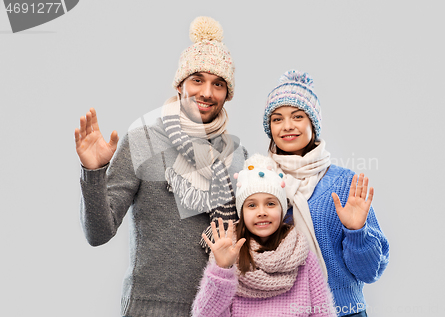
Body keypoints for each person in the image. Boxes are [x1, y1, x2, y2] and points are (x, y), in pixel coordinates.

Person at [74, 17, 247, 317]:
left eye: (218, 84)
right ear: (180, 84)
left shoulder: (237, 156)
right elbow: (98, 233)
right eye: (197, 80)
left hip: (217, 309)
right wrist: (94, 174)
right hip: (148, 310)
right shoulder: (143, 138)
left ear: (226, 94)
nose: (207, 92)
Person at [262, 70, 390, 317]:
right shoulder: (260, 182)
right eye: (277, 119)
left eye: (297, 116)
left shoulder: (344, 184)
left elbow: (370, 271)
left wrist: (356, 233)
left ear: (313, 123)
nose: (287, 126)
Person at [192, 154, 336, 317]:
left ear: (282, 210)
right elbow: (205, 314)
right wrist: (222, 269)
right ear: (242, 212)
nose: (262, 212)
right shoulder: (229, 256)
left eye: (270, 203)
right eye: (252, 205)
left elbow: (324, 313)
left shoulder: (303, 258)